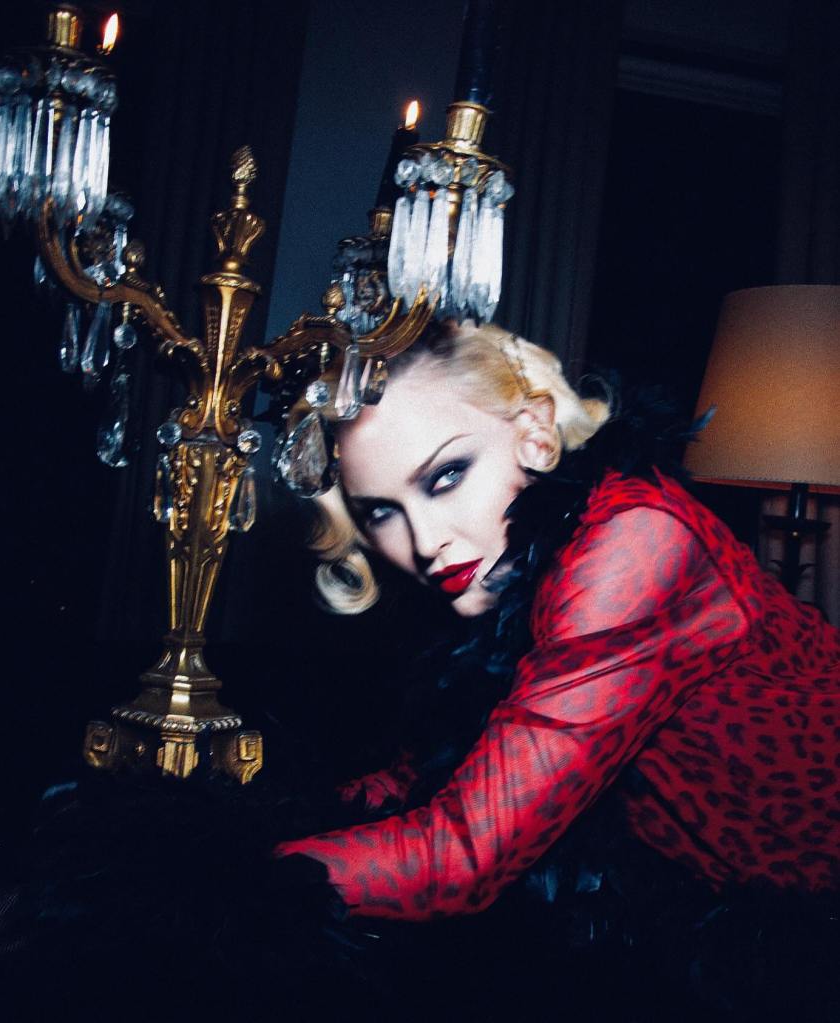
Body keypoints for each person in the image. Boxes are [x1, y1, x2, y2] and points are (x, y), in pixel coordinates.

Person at [275, 318, 840, 932]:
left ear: (536, 433)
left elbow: (460, 855)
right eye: (382, 512)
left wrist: (240, 877)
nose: (425, 542)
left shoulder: (637, 541)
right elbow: (435, 776)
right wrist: (273, 811)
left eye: (447, 475)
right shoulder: (502, 579)